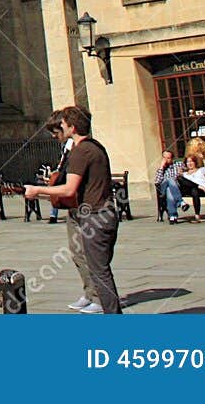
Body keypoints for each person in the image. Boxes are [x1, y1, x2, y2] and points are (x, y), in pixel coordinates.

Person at [25, 106, 121, 314]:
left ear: (72, 127)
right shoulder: (95, 146)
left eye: (63, 124)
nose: (61, 127)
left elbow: (69, 189)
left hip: (95, 215)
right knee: (99, 269)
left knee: (100, 272)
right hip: (102, 213)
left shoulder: (81, 151)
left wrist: (37, 190)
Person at [162, 151, 205, 223]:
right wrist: (179, 174)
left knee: (194, 190)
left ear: (195, 162)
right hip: (190, 190)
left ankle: (196, 214)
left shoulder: (200, 170)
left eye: (191, 161)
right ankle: (176, 210)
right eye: (188, 162)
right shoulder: (185, 174)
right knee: (176, 181)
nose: (190, 163)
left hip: (202, 191)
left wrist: (203, 159)